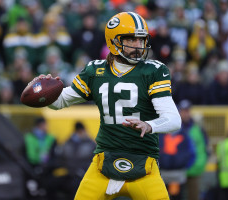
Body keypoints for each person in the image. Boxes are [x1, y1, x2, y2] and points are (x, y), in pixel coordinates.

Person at [33, 12, 181, 200]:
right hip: (104, 163)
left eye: (141, 39)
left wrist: (150, 125)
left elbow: (174, 120)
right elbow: (60, 102)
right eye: (131, 39)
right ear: (113, 40)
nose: (138, 45)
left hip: (144, 164)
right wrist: (42, 93)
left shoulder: (154, 71)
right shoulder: (95, 70)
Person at [178, 100, 208, 200]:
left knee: (193, 196)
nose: (185, 114)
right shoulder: (174, 128)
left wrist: (200, 164)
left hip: (194, 170)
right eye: (183, 111)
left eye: (187, 111)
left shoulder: (198, 128)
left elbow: (204, 147)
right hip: (177, 170)